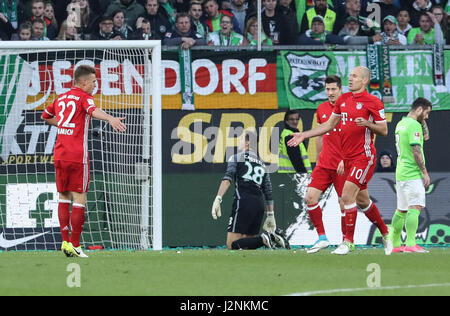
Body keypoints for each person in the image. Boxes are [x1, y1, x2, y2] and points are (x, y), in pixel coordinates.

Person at [287, 66, 393, 256]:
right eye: (350, 75)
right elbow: (328, 125)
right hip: (344, 159)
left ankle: (348, 242)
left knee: (346, 196)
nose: (350, 79)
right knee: (362, 200)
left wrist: (367, 123)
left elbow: (384, 130)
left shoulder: (373, 102)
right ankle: (385, 232)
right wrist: (304, 135)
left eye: (354, 76)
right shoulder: (343, 101)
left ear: (364, 81)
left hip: (364, 156)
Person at [41, 65, 127, 258]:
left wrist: (64, 124)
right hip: (77, 156)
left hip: (60, 154)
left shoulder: (61, 98)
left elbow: (45, 116)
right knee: (79, 198)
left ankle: (64, 242)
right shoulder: (83, 97)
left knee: (63, 196)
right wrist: (110, 119)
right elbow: (93, 110)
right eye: (94, 81)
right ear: (83, 82)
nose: (95, 85)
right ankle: (76, 245)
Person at [211, 130, 289, 250]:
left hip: (243, 201)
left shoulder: (236, 157)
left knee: (231, 244)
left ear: (247, 143)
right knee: (247, 244)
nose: (239, 141)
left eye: (241, 139)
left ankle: (267, 238)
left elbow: (228, 178)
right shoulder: (262, 164)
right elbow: (268, 191)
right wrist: (270, 214)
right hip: (259, 204)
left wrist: (218, 198)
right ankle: (268, 238)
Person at [305, 75, 347, 254]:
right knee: (310, 197)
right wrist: (318, 159)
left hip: (342, 165)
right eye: (327, 89)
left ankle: (346, 241)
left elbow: (355, 136)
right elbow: (320, 135)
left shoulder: (348, 108)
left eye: (333, 89)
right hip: (324, 164)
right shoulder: (321, 108)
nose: (330, 93)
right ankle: (322, 237)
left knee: (344, 203)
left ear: (340, 89)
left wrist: (346, 159)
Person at [389, 98, 432, 253]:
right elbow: (416, 150)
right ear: (420, 109)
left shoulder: (401, 123)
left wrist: (421, 119)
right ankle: (411, 244)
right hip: (411, 173)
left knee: (401, 210)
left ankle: (394, 245)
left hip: (401, 173)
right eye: (426, 113)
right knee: (416, 206)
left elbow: (425, 137)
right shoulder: (413, 125)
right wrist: (424, 172)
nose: (427, 117)